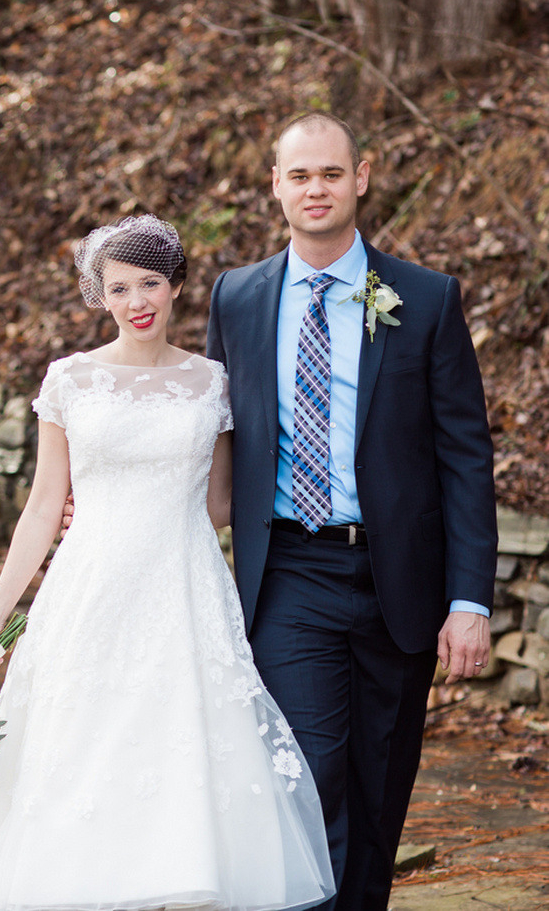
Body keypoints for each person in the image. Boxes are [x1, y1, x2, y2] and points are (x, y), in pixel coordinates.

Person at [0, 214, 335, 911]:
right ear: (100, 296)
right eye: (118, 288)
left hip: (185, 594)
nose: (136, 300)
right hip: (89, 592)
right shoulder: (70, 381)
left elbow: (219, 503)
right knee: (83, 761)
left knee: (184, 761)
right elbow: (41, 508)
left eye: (151, 282)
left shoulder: (213, 384)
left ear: (177, 285)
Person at [205, 110, 498, 911]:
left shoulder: (427, 299)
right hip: (289, 571)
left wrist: (469, 600)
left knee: (378, 791)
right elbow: (205, 433)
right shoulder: (237, 298)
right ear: (276, 186)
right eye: (299, 175)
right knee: (307, 773)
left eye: (331, 173)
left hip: (398, 578)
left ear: (360, 178)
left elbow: (465, 458)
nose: (316, 189)